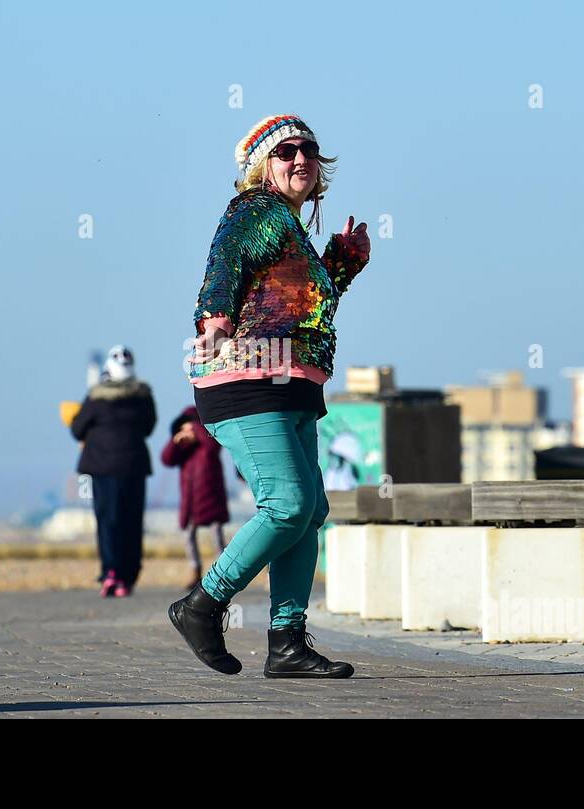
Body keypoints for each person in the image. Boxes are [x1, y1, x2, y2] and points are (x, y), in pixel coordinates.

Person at [168, 114, 370, 678]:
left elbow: (300, 303)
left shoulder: (289, 227)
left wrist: (343, 262)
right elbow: (224, 264)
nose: (300, 158)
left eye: (309, 150)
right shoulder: (255, 210)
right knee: (288, 505)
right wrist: (213, 318)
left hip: (294, 384)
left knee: (309, 512)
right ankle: (203, 604)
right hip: (249, 378)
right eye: (286, 152)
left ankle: (287, 644)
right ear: (262, 166)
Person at [71, 345, 156, 597]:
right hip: (133, 466)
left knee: (108, 521)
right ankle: (127, 577)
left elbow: (77, 428)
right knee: (132, 522)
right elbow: (149, 427)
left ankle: (110, 572)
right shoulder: (142, 396)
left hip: (102, 468)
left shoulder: (95, 397)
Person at [160, 406, 230, 590]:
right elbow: (166, 459)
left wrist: (195, 429)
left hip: (211, 498)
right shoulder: (183, 450)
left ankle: (223, 574)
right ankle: (195, 572)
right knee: (188, 537)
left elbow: (212, 445)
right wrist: (176, 440)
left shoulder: (207, 444)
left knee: (217, 538)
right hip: (190, 502)